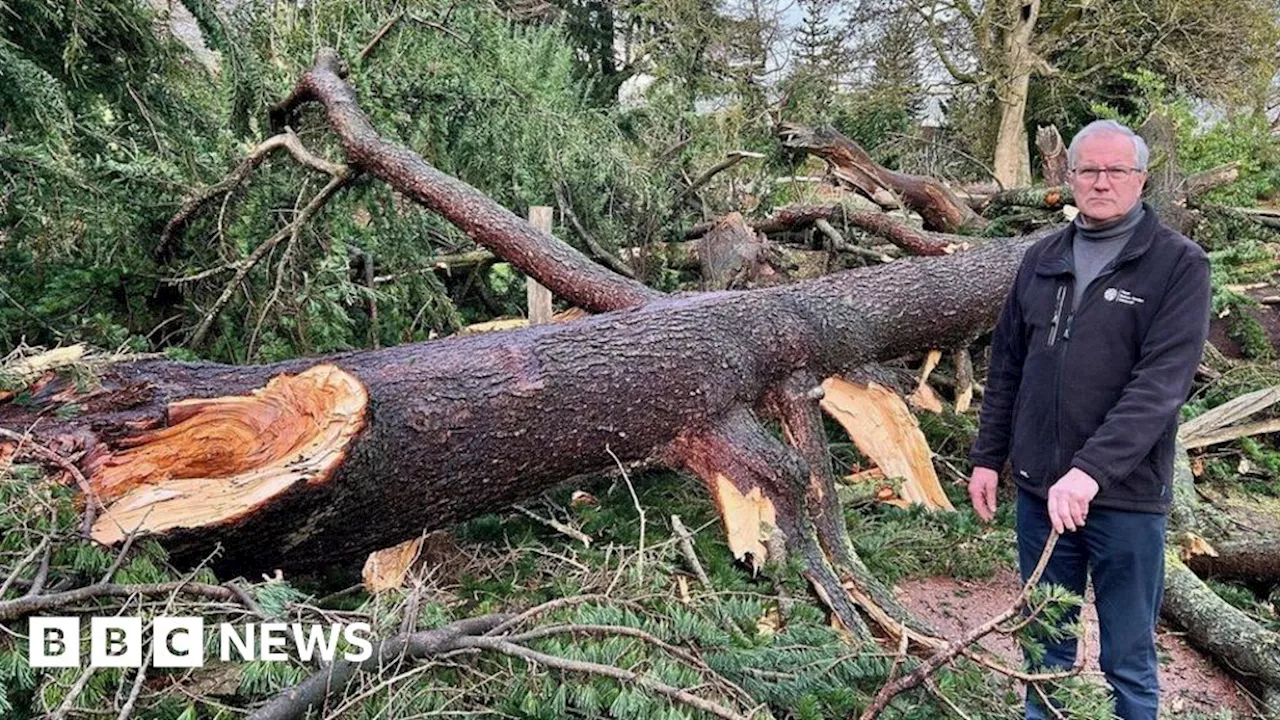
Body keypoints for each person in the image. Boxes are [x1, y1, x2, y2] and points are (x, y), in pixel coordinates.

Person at [967, 119, 1212, 720]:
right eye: (1088, 170)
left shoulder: (1178, 265)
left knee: (1128, 659)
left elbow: (1160, 387)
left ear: (1141, 179)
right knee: (1043, 645)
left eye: (1116, 171)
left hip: (1125, 498)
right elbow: (1008, 366)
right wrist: (987, 456)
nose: (1101, 182)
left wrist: (1090, 472)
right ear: (1068, 176)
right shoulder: (1042, 257)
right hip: (1037, 488)